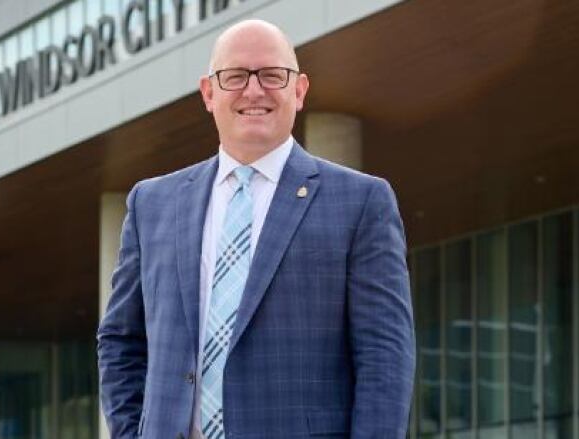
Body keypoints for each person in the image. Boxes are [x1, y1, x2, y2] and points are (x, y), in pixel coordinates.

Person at [98, 19, 415, 439]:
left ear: (299, 90)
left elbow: (385, 357)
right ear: (209, 93)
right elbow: (121, 341)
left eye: (272, 75)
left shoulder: (360, 202)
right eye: (235, 77)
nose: (253, 90)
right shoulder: (151, 203)